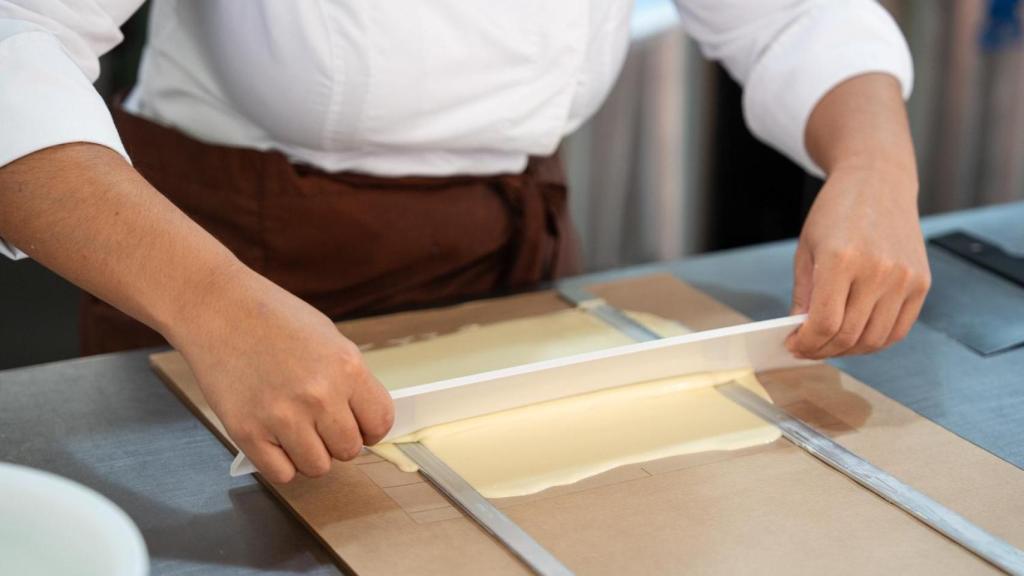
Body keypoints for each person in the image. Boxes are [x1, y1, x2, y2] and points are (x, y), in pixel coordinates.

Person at [0, 1, 930, 483]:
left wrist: (876, 167)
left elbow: (791, 15)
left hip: (517, 263)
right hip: (230, 259)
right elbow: (17, 35)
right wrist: (210, 304)